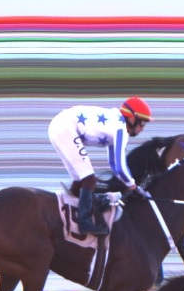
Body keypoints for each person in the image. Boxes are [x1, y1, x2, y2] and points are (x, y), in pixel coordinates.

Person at [48, 97, 153, 237]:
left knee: (80, 180)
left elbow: (113, 163)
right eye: (143, 123)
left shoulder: (116, 122)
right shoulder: (120, 129)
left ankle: (69, 212)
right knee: (90, 180)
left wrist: (129, 184)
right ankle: (84, 223)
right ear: (133, 118)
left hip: (58, 126)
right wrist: (134, 187)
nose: (142, 128)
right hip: (65, 128)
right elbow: (120, 166)